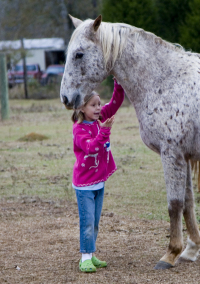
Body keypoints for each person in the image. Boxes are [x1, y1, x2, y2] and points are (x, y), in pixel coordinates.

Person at [71, 78, 124, 272]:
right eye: (93, 105)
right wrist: (105, 131)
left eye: (99, 104)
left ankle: (91, 255)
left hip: (98, 183)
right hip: (84, 185)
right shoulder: (79, 129)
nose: (98, 108)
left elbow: (116, 101)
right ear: (82, 108)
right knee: (87, 222)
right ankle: (84, 257)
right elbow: (91, 148)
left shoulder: (99, 118)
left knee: (94, 223)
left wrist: (118, 81)